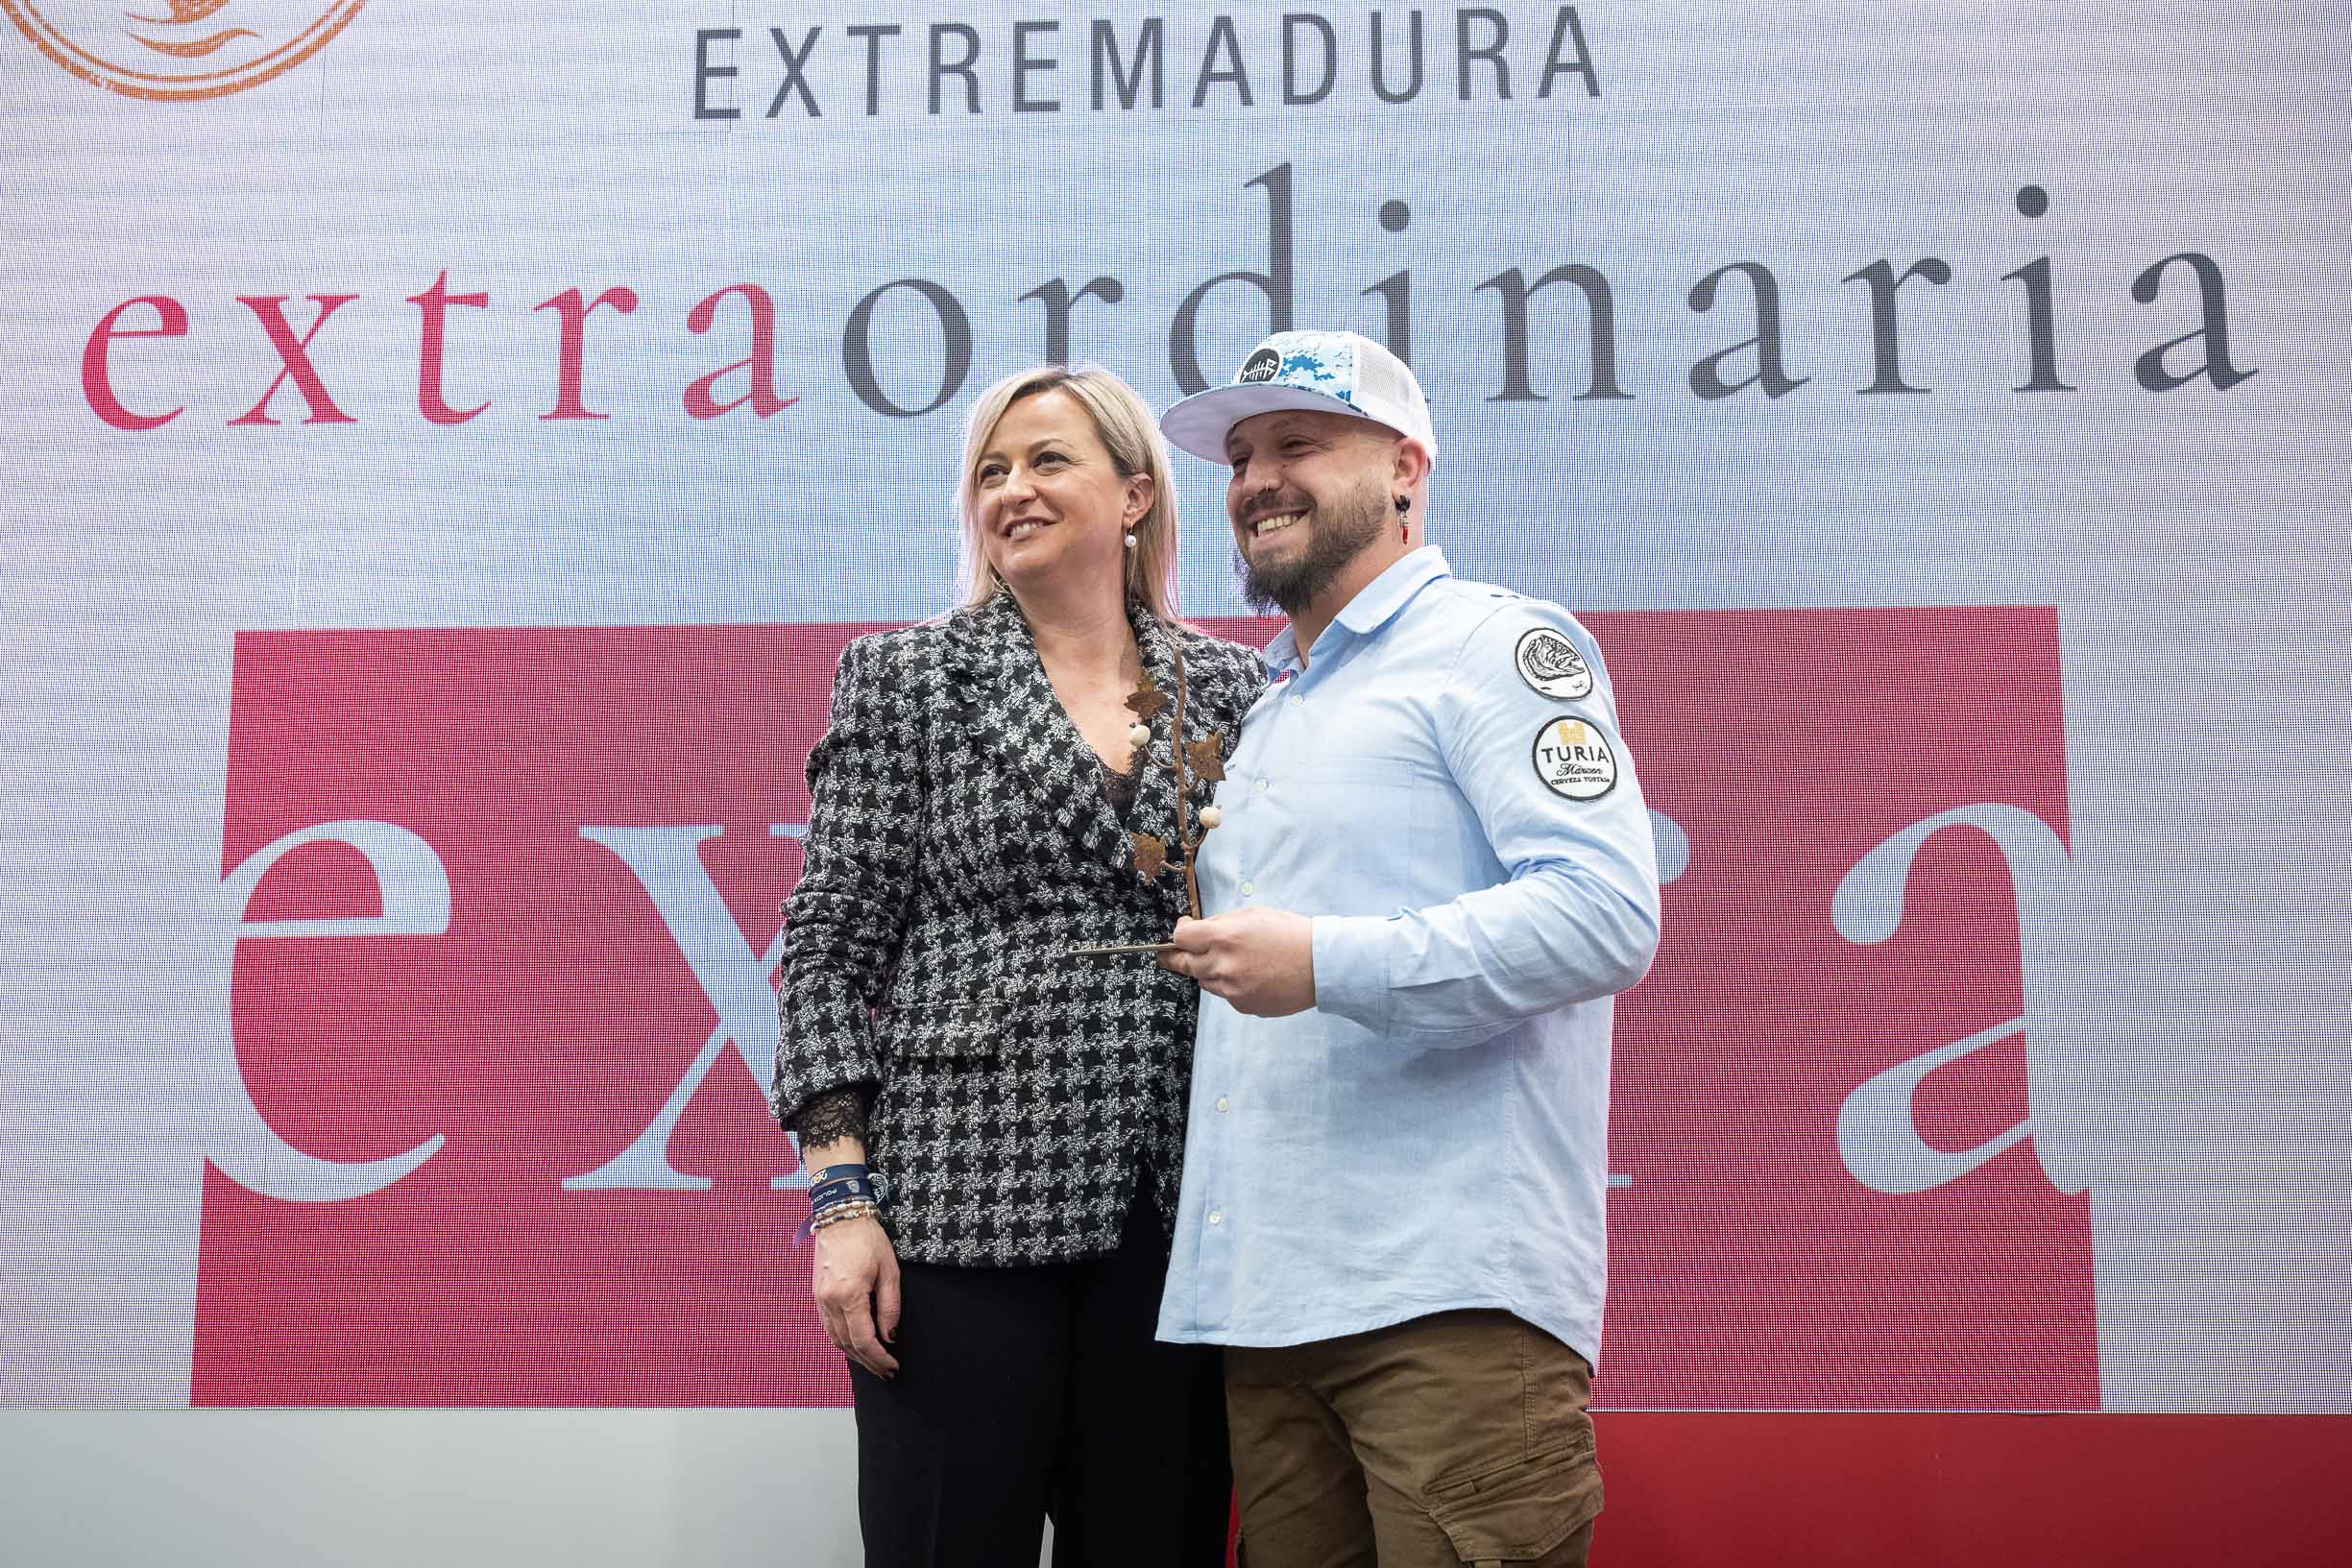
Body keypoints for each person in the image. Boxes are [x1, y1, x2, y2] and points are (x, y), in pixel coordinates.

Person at [1152, 330, 1661, 1568]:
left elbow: (1604, 912)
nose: (1258, 476)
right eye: (1241, 454)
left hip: (1447, 1307)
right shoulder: (1267, 705)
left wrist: (1324, 962)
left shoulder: (1496, 646)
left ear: (1404, 471)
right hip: (1267, 1318)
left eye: (1300, 444)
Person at [770, 364, 1263, 1567]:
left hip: (1175, 1219)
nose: (1012, 490)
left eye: (1046, 461)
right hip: (953, 1224)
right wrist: (842, 1199)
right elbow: (829, 950)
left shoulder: (1239, 689)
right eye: (990, 472)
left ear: (1136, 492)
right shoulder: (907, 679)